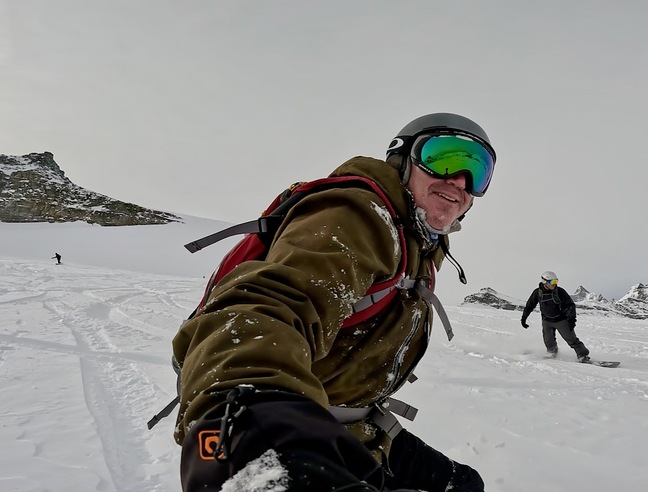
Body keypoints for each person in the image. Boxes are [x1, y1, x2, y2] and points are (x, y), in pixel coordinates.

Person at [172, 113, 496, 492]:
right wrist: (257, 428)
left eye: (477, 171)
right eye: (444, 158)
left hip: (355, 427)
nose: (459, 180)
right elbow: (272, 305)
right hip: (294, 421)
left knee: (465, 485)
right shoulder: (357, 215)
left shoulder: (417, 248)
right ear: (402, 160)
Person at [520, 271, 590, 362]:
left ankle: (583, 355)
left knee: (571, 339)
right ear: (544, 282)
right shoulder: (538, 292)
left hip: (561, 320)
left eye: (556, 281)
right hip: (547, 321)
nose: (554, 284)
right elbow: (530, 305)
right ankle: (552, 353)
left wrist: (572, 319)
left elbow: (570, 305)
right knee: (548, 340)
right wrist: (524, 318)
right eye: (552, 282)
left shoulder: (560, 291)